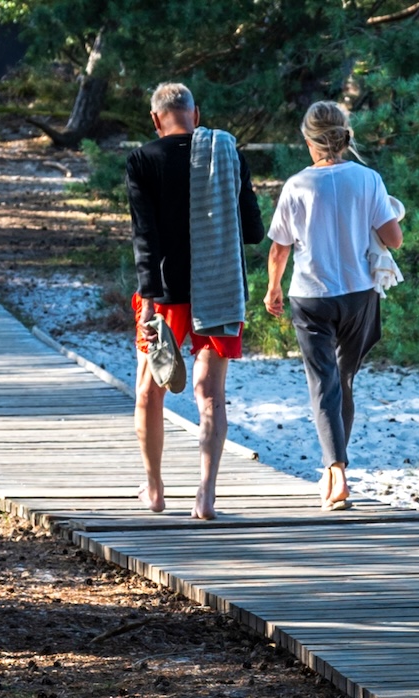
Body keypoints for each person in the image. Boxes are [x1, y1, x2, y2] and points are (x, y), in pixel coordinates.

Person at [128, 82, 264, 519]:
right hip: (219, 287)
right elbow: (253, 231)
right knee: (211, 394)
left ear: (155, 119)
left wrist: (148, 301)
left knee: (150, 391)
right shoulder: (228, 153)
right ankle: (205, 495)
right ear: (196, 114)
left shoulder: (142, 160)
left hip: (163, 294)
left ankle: (154, 490)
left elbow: (144, 237)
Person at [263, 101, 403, 511]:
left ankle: (335, 470)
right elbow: (393, 239)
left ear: (308, 141)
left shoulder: (297, 185)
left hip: (310, 296)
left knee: (322, 382)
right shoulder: (368, 179)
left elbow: (279, 249)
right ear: (345, 136)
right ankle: (335, 469)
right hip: (358, 293)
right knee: (343, 381)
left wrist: (273, 289)